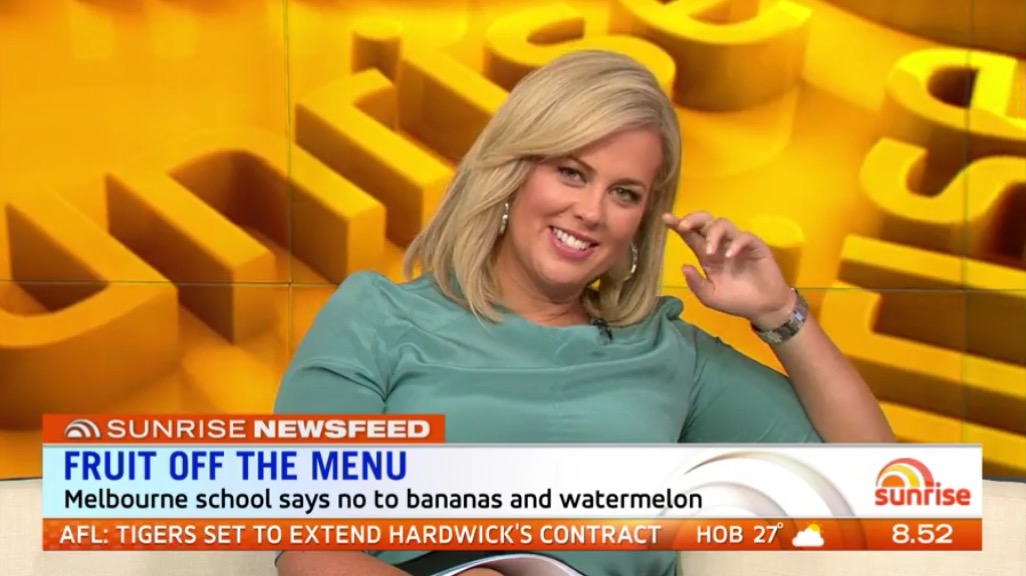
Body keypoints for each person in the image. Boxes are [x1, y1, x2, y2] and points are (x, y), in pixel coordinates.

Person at [273, 49, 894, 576]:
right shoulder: (376, 317)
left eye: (624, 193)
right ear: (513, 175)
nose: (592, 212)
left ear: (641, 221)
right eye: (571, 173)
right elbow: (309, 549)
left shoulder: (667, 352)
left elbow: (874, 480)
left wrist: (779, 313)